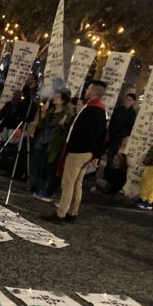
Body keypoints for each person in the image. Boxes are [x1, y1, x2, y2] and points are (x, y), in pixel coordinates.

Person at [42, 80, 108, 224]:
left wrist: (92, 152)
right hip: (85, 151)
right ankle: (72, 213)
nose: (86, 90)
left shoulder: (92, 109)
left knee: (68, 183)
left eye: (89, 88)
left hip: (79, 151)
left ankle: (61, 214)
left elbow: (96, 134)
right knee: (77, 183)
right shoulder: (98, 108)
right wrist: (95, 154)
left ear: (95, 92)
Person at [31, 91, 73, 199]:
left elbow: (65, 131)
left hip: (53, 144)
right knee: (38, 164)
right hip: (43, 141)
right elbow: (41, 125)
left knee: (47, 167)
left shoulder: (66, 113)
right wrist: (43, 114)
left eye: (58, 97)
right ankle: (34, 184)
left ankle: (43, 188)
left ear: (63, 100)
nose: (55, 98)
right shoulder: (51, 111)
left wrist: (63, 126)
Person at [106, 93, 137, 163]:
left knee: (113, 154)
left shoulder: (132, 113)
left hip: (119, 137)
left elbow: (131, 126)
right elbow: (111, 121)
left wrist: (125, 136)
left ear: (133, 102)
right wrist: (108, 132)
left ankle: (109, 169)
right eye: (126, 99)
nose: (127, 101)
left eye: (129, 100)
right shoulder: (118, 109)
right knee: (103, 151)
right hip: (111, 134)